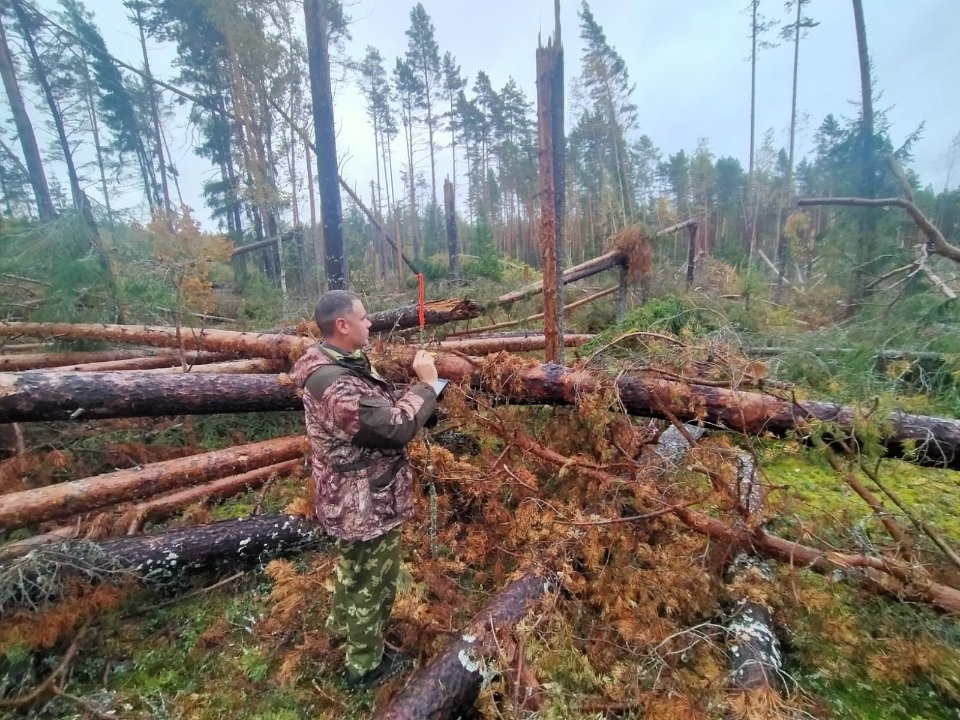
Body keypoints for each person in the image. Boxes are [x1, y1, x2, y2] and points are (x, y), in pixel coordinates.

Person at [290, 289, 442, 689]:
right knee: (373, 582)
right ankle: (363, 665)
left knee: (354, 568)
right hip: (363, 503)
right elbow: (393, 428)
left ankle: (344, 628)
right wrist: (427, 385)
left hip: (354, 494)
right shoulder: (334, 384)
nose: (370, 322)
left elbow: (378, 409)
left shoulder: (341, 363)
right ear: (342, 325)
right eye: (364, 317)